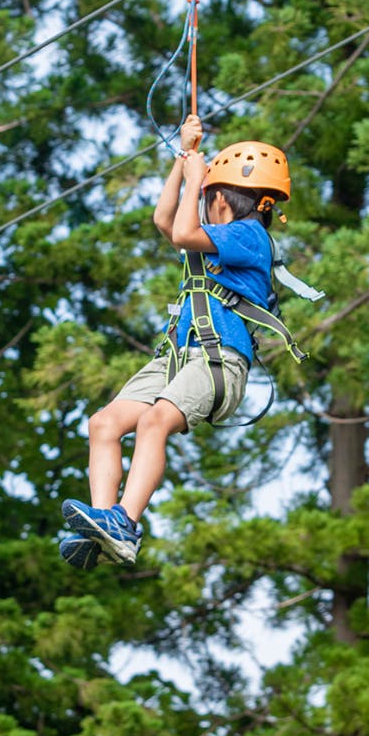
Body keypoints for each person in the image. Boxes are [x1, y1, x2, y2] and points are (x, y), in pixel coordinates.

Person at [59, 113, 294, 568]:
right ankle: (103, 525)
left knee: (154, 423)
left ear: (221, 199)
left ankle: (124, 523)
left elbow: (183, 230)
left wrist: (193, 180)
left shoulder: (250, 236)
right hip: (180, 356)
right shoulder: (221, 236)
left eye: (207, 195)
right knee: (103, 424)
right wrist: (183, 161)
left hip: (218, 359)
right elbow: (166, 221)